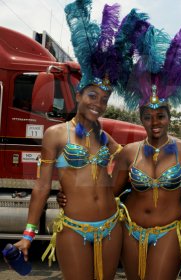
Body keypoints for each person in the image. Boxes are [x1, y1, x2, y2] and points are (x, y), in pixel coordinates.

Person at [57, 12, 181, 280]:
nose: (155, 122)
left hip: (168, 231)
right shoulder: (130, 152)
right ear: (140, 118)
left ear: (169, 117)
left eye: (161, 116)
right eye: (148, 116)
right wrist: (71, 197)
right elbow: (112, 191)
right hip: (131, 230)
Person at [12, 1, 151, 279]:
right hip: (74, 227)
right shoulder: (56, 134)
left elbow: (132, 161)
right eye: (91, 96)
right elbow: (41, 186)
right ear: (78, 96)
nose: (98, 104)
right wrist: (28, 233)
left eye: (104, 99)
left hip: (111, 225)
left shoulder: (105, 136)